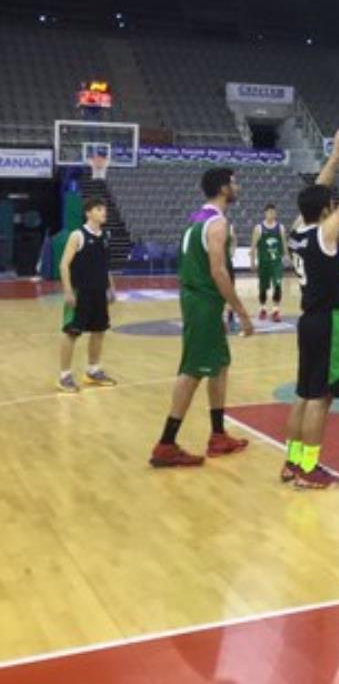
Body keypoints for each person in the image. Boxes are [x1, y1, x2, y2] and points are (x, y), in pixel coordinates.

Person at [281, 124, 339, 489]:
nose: (334, 203)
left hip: (308, 321)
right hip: (330, 321)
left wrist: (336, 155)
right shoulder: (324, 231)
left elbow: (315, 194)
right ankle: (310, 469)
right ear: (326, 210)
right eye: (329, 203)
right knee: (322, 396)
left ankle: (293, 461)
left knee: (305, 394)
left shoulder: (296, 230)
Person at [149, 167, 254, 468]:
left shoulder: (197, 218)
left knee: (219, 366)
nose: (237, 186)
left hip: (198, 299)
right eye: (234, 182)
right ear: (223, 188)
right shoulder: (218, 223)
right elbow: (218, 271)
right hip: (204, 302)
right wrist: (241, 311)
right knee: (193, 370)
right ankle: (166, 444)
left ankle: (218, 435)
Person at [56, 197, 118, 392]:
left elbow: (105, 266)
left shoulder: (105, 236)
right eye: (99, 209)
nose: (103, 212)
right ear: (88, 213)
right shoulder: (78, 235)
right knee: (71, 332)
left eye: (104, 209)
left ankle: (93, 371)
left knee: (99, 330)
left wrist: (112, 287)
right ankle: (64, 376)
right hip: (80, 292)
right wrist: (67, 290)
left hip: (99, 292)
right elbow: (64, 264)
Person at [250, 204, 288, 322]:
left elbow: (284, 243)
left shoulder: (280, 228)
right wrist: (252, 262)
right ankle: (263, 309)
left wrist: (287, 256)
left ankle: (276, 311)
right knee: (263, 288)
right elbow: (253, 247)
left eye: (273, 212)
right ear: (265, 213)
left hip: (276, 262)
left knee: (277, 285)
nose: (272, 214)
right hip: (264, 263)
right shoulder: (259, 228)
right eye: (269, 212)